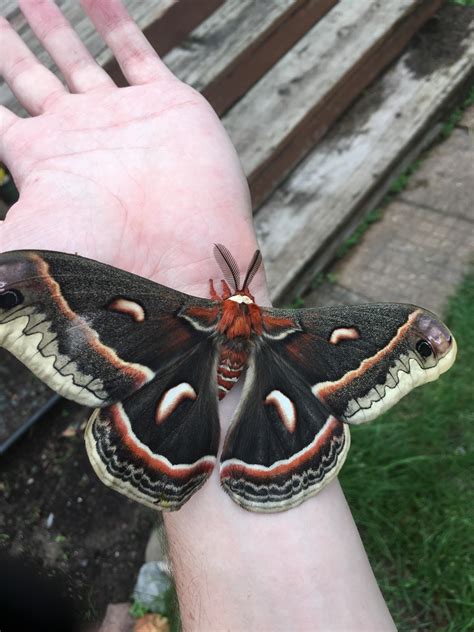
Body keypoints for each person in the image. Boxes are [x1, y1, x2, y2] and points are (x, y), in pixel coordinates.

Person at [0, 1, 396, 629]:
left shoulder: (217, 311)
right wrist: (29, 283)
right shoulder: (261, 320)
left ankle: (223, 457)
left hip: (192, 366)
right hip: (224, 365)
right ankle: (210, 459)